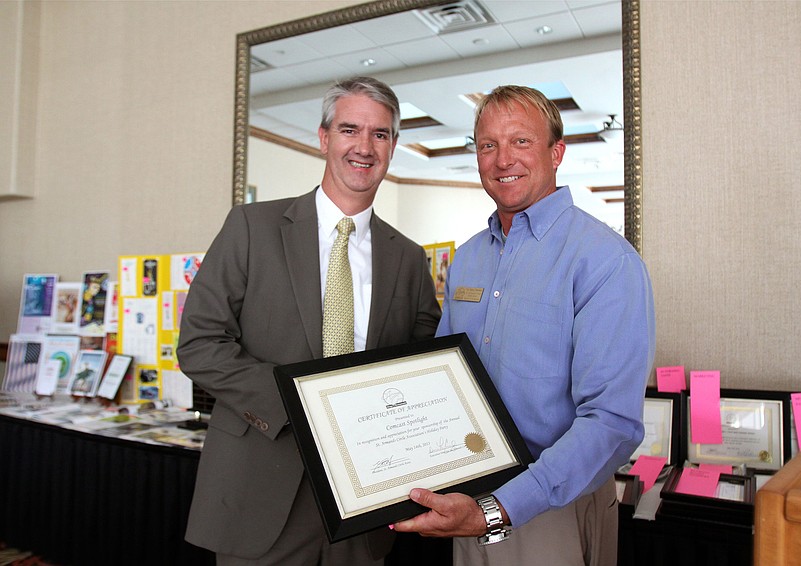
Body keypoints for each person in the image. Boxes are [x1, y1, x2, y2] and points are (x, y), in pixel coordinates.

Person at [177, 76, 441, 565]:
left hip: (365, 502)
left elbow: (422, 369)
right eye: (349, 130)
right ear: (324, 138)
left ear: (394, 146)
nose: (364, 147)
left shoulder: (407, 258)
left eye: (380, 134)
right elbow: (199, 343)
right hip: (261, 487)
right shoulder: (251, 228)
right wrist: (304, 407)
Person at [392, 85, 655, 566]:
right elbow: (443, 381)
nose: (501, 159)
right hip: (467, 499)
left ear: (557, 152)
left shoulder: (605, 261)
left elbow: (612, 424)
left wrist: (497, 509)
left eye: (521, 141)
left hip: (554, 506)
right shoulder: (468, 258)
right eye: (487, 145)